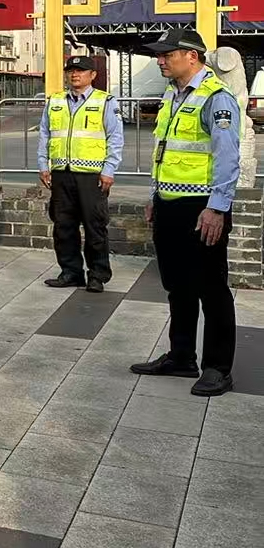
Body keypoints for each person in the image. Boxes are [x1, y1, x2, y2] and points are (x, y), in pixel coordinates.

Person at [130, 28, 240, 397]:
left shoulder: (216, 99)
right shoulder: (173, 95)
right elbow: (164, 151)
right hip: (169, 204)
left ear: (192, 56)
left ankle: (218, 368)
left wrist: (217, 208)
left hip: (201, 208)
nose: (160, 60)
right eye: (159, 55)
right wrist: (155, 195)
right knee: (177, 286)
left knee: (212, 289)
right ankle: (181, 356)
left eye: (167, 54)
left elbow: (227, 158)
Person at [37, 55, 123, 292]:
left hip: (92, 176)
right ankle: (70, 272)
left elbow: (115, 138)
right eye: (71, 71)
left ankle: (97, 275)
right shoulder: (55, 101)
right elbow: (45, 134)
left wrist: (109, 169)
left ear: (92, 75)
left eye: (81, 70)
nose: (74, 75)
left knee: (95, 227)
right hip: (61, 173)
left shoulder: (105, 101)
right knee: (63, 226)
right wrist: (43, 165)